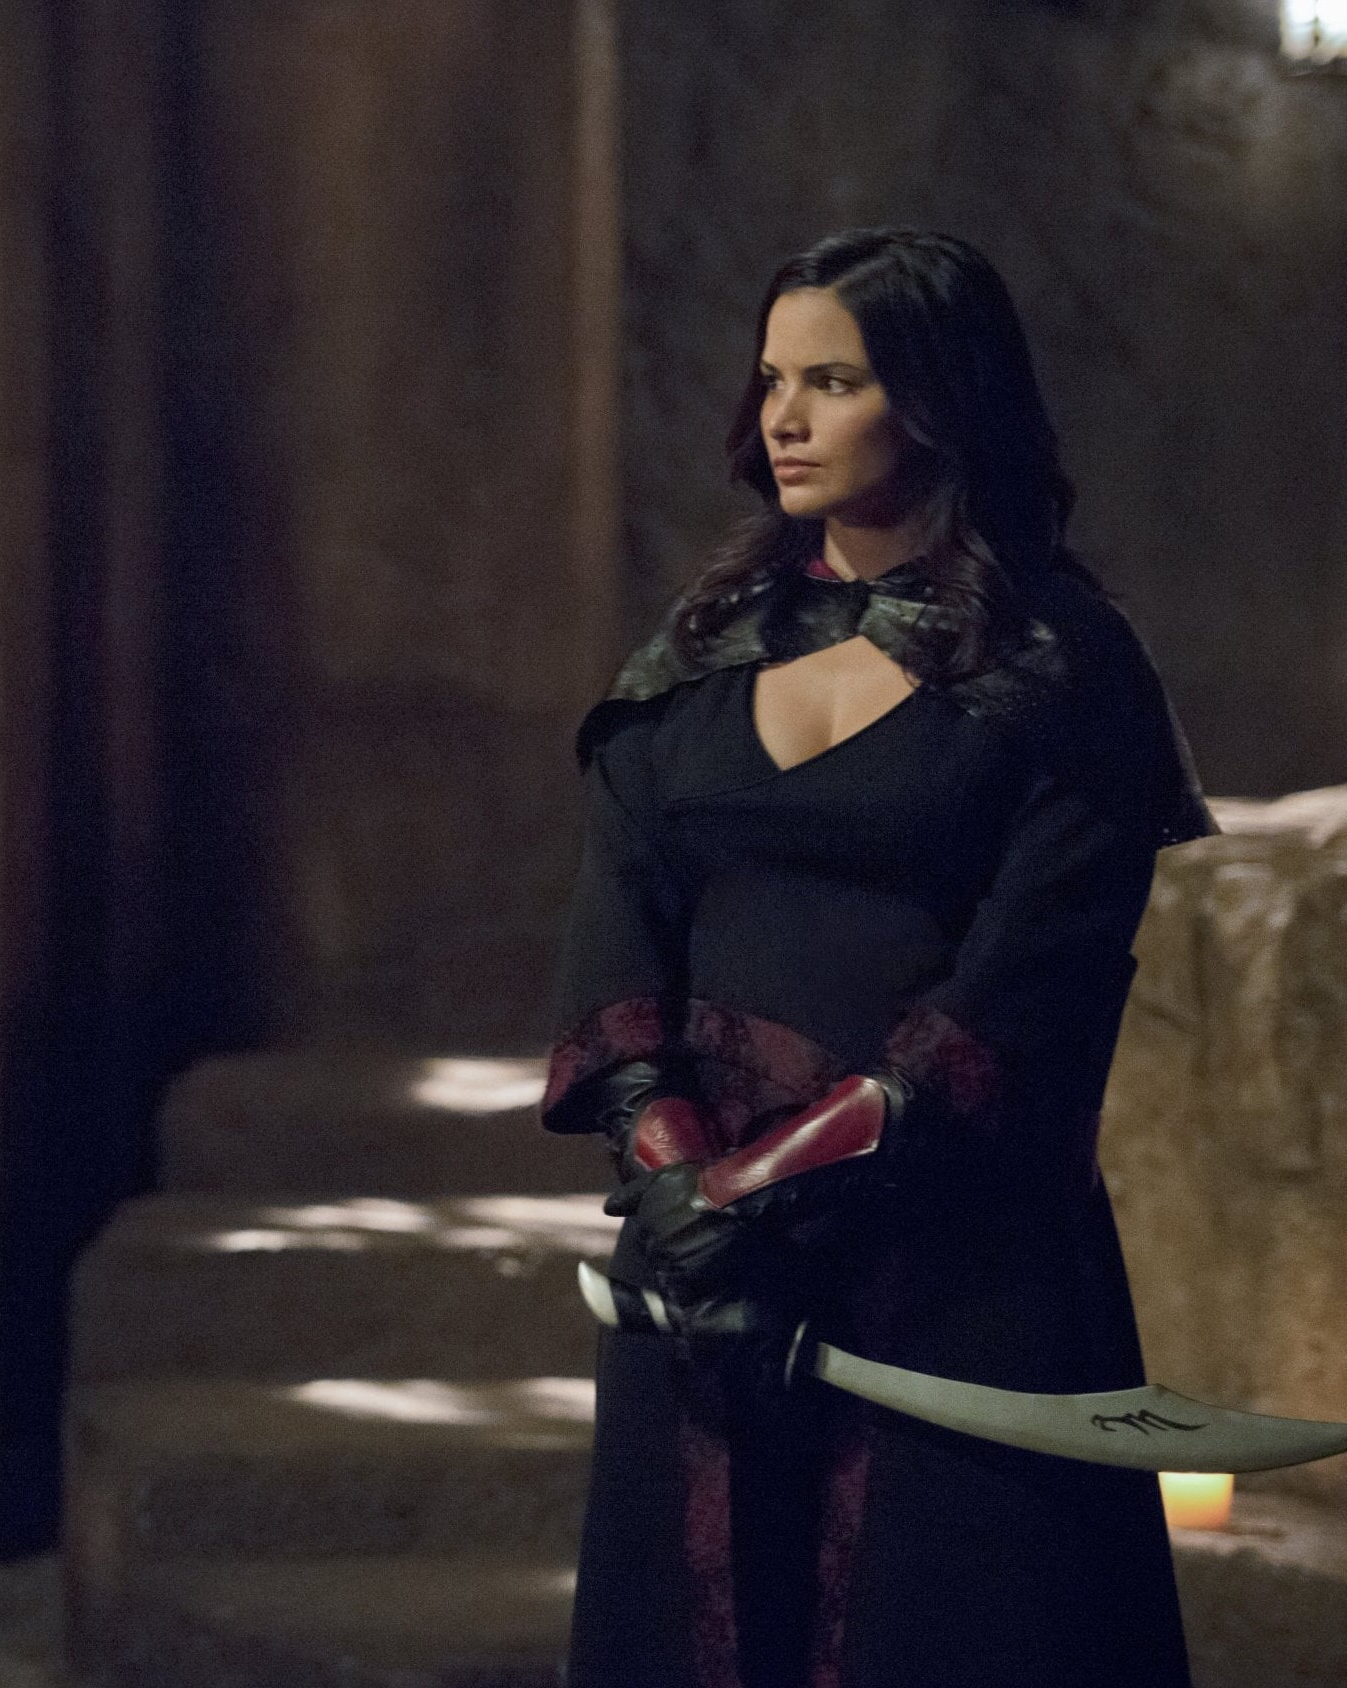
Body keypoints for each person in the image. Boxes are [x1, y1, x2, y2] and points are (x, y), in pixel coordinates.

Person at [541, 227, 1210, 1687]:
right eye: (772, 379)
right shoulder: (700, 653)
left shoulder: (1064, 665)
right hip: (699, 1281)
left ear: (939, 400)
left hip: (950, 1264)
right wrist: (680, 1191)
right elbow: (617, 947)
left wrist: (750, 1198)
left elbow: (1022, 997)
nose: (783, 417)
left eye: (832, 382)